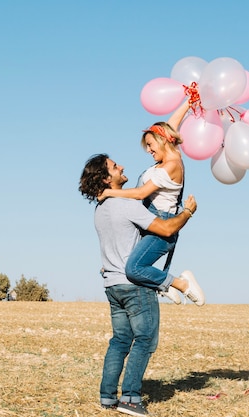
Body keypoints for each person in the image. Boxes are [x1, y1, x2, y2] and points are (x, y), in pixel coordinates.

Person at [79, 153, 203, 415]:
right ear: (105, 178)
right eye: (114, 167)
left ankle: (107, 396)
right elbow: (166, 229)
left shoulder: (100, 210)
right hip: (134, 284)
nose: (121, 166)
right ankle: (131, 398)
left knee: (120, 341)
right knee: (145, 339)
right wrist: (188, 212)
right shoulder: (127, 205)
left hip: (112, 286)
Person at [99, 101, 200, 305]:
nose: (148, 150)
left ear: (162, 141)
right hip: (148, 220)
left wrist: (108, 192)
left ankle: (182, 284)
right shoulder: (166, 158)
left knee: (134, 268)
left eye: (150, 145)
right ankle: (163, 286)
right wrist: (188, 102)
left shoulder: (172, 165)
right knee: (122, 261)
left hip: (161, 222)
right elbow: (172, 124)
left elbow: (141, 193)